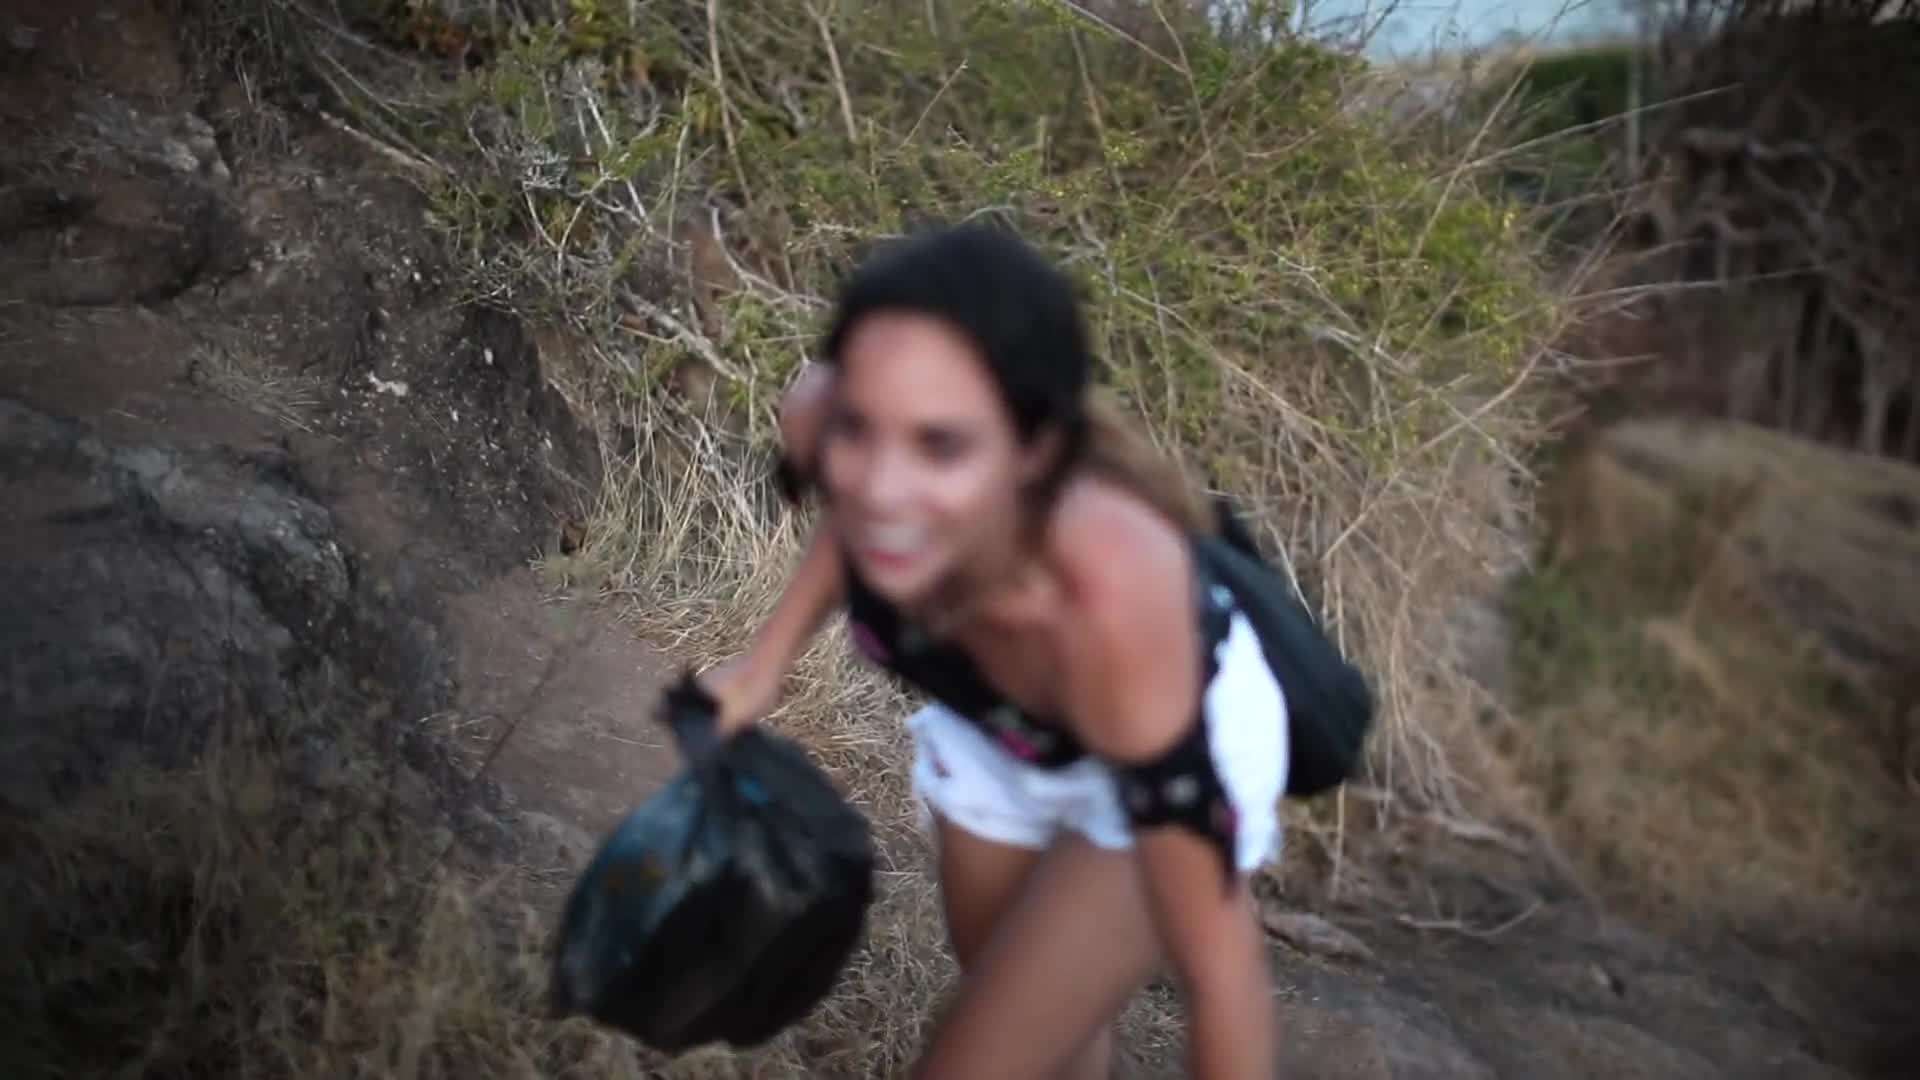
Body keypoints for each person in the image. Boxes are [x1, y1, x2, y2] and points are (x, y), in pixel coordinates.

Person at [696, 222, 1288, 1080]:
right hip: (997, 725)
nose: (881, 487)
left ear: (1034, 453)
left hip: (1156, 736)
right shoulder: (830, 429)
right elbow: (853, 516)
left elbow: (1223, 976)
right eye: (858, 432)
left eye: (941, 445)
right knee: (1026, 1006)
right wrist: (764, 669)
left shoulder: (1113, 608)